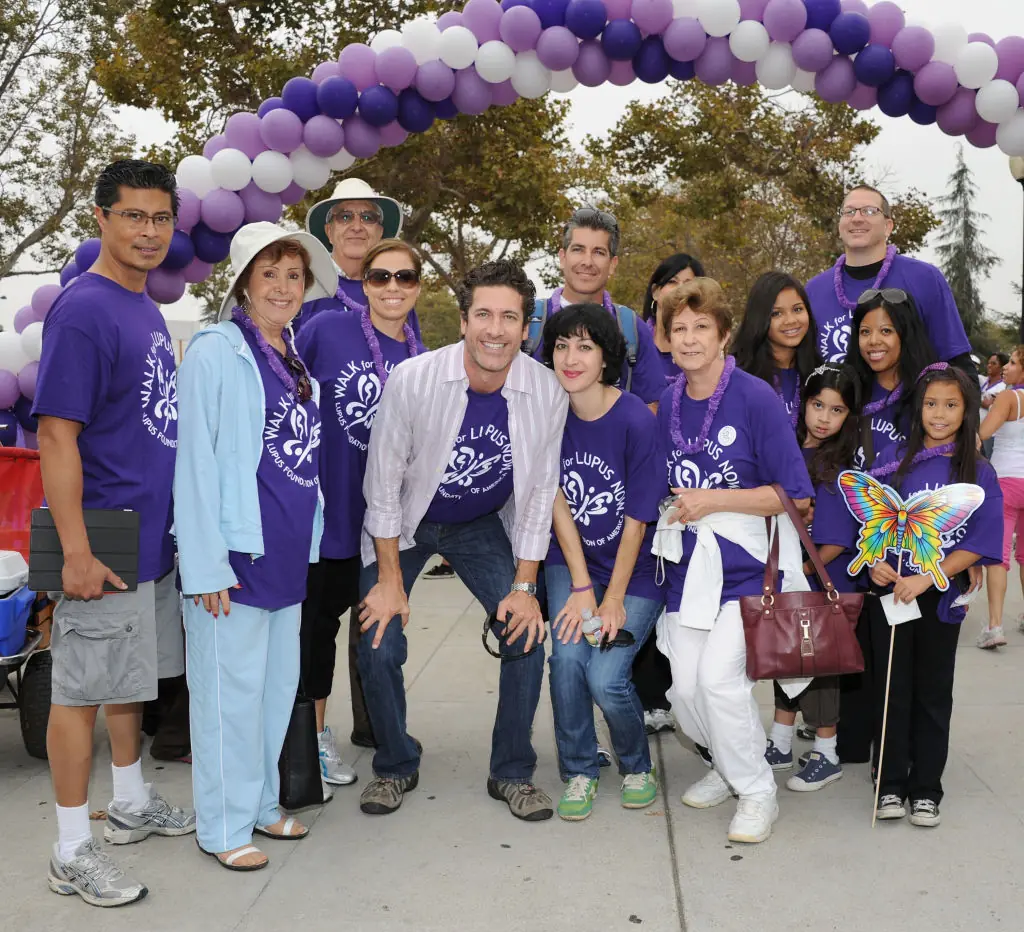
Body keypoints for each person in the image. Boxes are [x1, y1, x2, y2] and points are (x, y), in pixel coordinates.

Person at [33, 160, 195, 907]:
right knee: (80, 693)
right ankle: (70, 850)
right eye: (133, 216)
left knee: (129, 680)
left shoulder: (143, 305)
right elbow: (55, 436)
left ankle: (129, 800)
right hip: (99, 535)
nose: (149, 231)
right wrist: (76, 551)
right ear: (101, 218)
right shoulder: (84, 310)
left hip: (146, 535)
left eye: (160, 218)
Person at [358, 259, 568, 821]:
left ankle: (512, 772)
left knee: (526, 634)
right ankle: (395, 764)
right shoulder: (413, 379)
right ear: (463, 320)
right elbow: (382, 486)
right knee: (378, 638)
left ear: (526, 327)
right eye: (484, 315)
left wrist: (524, 588)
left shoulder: (546, 391)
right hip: (405, 522)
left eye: (509, 317)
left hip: (479, 524)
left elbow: (538, 494)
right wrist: (388, 580)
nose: (495, 330)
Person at [174, 222, 336, 870]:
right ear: (243, 282)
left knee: (273, 692)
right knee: (228, 698)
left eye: (293, 275)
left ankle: (263, 803)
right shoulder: (216, 351)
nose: (283, 287)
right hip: (234, 560)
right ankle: (222, 826)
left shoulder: (291, 354)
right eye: (269, 274)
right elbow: (194, 463)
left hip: (287, 556)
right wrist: (205, 565)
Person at [652, 277, 813, 845]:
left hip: (750, 570)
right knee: (684, 692)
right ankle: (726, 765)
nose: (690, 338)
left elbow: (794, 495)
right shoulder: (669, 403)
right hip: (688, 571)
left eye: (702, 326)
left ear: (723, 334)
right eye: (678, 328)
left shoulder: (755, 397)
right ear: (666, 339)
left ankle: (757, 791)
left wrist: (714, 500)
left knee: (719, 681)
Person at [295, 239, 426, 785]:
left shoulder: (422, 358)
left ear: (418, 286)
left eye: (404, 277)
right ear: (363, 283)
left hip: (384, 528)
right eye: (380, 277)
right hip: (329, 511)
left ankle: (387, 735)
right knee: (317, 632)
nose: (392, 287)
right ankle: (312, 741)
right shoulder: (327, 329)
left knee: (377, 635)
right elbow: (285, 391)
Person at [538, 303, 664, 821]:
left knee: (606, 678)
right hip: (571, 560)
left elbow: (638, 519)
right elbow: (553, 498)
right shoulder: (549, 413)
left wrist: (611, 599)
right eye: (562, 346)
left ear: (607, 357)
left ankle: (637, 766)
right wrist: (581, 584)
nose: (571, 358)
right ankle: (580, 768)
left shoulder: (635, 417)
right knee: (567, 661)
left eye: (585, 347)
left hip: (634, 570)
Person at [866, 365, 1002, 826]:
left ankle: (926, 788)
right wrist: (875, 562)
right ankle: (889, 784)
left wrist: (927, 578)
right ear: (917, 408)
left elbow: (981, 540)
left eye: (950, 405)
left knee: (932, 692)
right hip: (891, 595)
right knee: (892, 690)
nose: (939, 414)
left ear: (967, 411)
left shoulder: (977, 470)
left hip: (939, 595)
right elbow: (872, 522)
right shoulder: (892, 459)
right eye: (930, 404)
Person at [765, 364, 861, 791]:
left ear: (849, 417)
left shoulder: (839, 469)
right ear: (803, 403)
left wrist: (800, 571)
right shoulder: (789, 450)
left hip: (823, 582)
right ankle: (780, 742)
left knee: (820, 667)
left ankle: (827, 752)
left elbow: (837, 541)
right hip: (793, 577)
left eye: (836, 410)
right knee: (787, 660)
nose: (824, 417)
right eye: (818, 405)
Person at [805, 185, 971, 369]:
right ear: (840, 225)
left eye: (869, 211)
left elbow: (958, 363)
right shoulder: (813, 290)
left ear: (888, 226)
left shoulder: (925, 279)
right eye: (849, 211)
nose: (857, 218)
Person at [525, 207, 665, 405]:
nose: (587, 261)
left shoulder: (631, 328)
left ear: (613, 264)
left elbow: (652, 406)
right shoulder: (529, 321)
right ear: (563, 258)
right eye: (578, 249)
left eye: (598, 252)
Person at [848, 288, 937, 468]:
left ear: (905, 335)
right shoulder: (847, 389)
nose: (873, 340)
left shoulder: (930, 394)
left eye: (886, 331)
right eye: (865, 332)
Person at [731, 271, 823, 428]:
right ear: (759, 319)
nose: (791, 320)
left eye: (797, 309)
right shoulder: (738, 377)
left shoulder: (819, 374)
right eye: (777, 313)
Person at [978, 346, 1024, 647]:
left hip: (1006, 481)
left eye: (1013, 362)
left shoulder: (1009, 398)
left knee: (998, 556)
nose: (1006, 367)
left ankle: (995, 627)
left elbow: (982, 433)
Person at [640, 253, 706, 382]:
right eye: (672, 282)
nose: (680, 289)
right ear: (655, 292)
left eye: (688, 284)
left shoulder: (702, 348)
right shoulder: (635, 341)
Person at [980, 352, 1009, 459]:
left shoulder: (1002, 387)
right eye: (989, 363)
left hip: (990, 433)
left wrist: (988, 405)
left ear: (1002, 368)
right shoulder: (985, 382)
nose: (989, 365)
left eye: (993, 363)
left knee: (986, 460)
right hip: (978, 429)